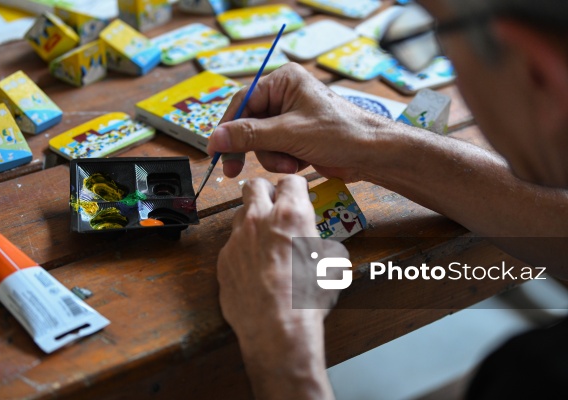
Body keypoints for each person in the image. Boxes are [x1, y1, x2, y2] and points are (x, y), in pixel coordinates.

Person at [206, 0, 568, 398]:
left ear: (538, 72)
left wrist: (281, 343)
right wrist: (370, 142)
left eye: (437, 39)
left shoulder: (536, 377)